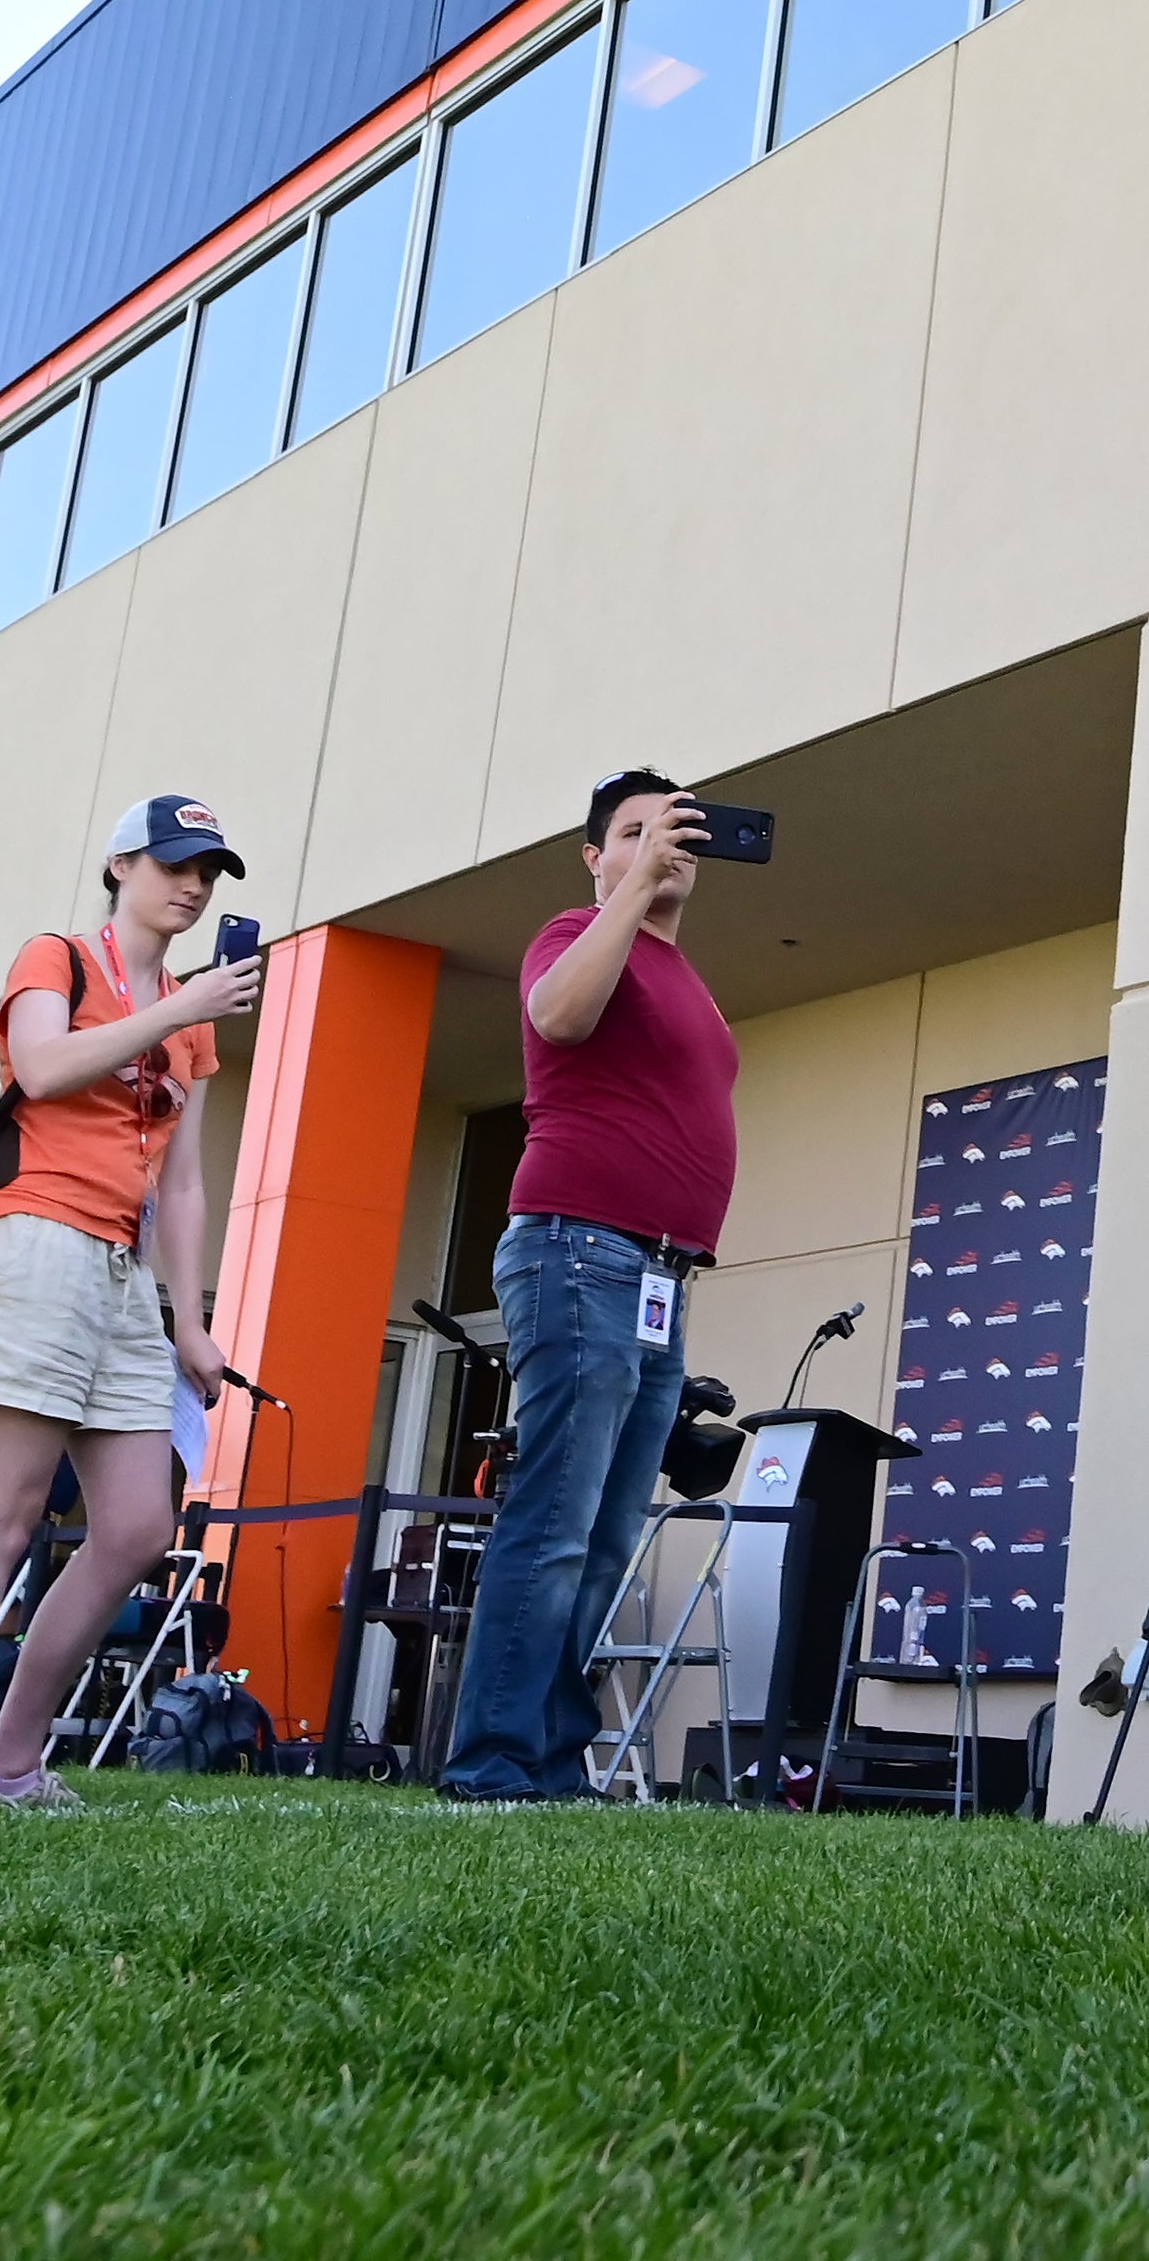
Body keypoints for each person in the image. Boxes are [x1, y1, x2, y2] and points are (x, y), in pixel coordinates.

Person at [0, 797, 260, 1809]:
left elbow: (182, 1183)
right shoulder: (57, 955)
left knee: (141, 1525)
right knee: (2, 1517)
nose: (192, 886)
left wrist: (189, 1317)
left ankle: (9, 1763)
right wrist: (176, 1011)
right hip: (34, 1240)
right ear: (119, 864)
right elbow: (45, 1064)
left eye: (209, 872)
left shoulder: (190, 1024)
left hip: (120, 1274)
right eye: (174, 864)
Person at [442, 771, 737, 1802]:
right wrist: (629, 890)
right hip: (581, 1251)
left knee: (608, 1532)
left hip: (658, 1273)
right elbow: (558, 1019)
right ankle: (491, 1760)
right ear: (595, 854)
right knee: (557, 1521)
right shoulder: (574, 929)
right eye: (636, 829)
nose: (664, 844)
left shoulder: (681, 974)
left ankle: (552, 1758)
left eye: (678, 829)